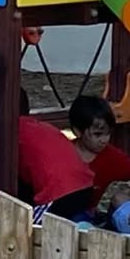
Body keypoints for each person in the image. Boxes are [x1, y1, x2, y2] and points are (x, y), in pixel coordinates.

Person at [12, 90, 95, 224]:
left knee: (26, 229)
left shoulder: (10, 131)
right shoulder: (41, 126)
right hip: (85, 186)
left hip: (58, 194)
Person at [69, 95, 130, 212]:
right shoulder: (62, 152)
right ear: (78, 131)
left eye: (108, 133)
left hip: (87, 215)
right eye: (98, 134)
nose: (104, 140)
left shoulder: (110, 156)